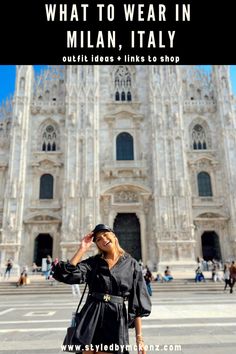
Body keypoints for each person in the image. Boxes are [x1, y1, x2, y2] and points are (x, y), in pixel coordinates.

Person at [52, 223, 151, 354]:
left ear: (114, 236)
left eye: (105, 234)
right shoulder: (93, 263)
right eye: (98, 239)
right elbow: (67, 275)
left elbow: (137, 303)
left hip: (115, 318)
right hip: (91, 314)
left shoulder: (132, 264)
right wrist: (82, 249)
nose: (103, 239)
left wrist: (139, 339)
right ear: (97, 244)